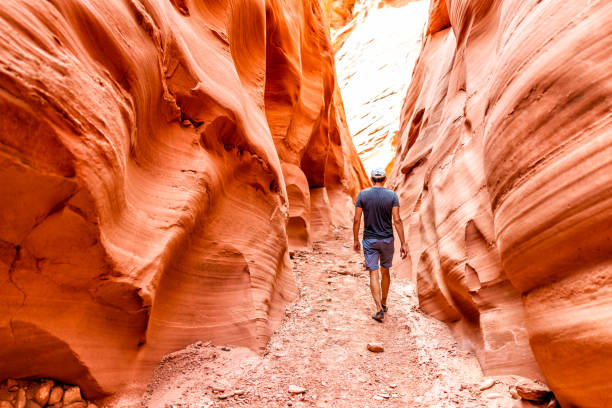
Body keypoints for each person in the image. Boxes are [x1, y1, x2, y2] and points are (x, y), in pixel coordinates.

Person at [353, 168, 407, 322]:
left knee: (373, 272)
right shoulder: (392, 196)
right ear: (384, 179)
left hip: (370, 240)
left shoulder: (363, 195)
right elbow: (397, 220)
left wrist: (355, 239)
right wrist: (403, 243)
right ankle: (384, 303)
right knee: (385, 271)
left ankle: (378, 309)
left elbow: (356, 219)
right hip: (387, 240)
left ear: (371, 179)